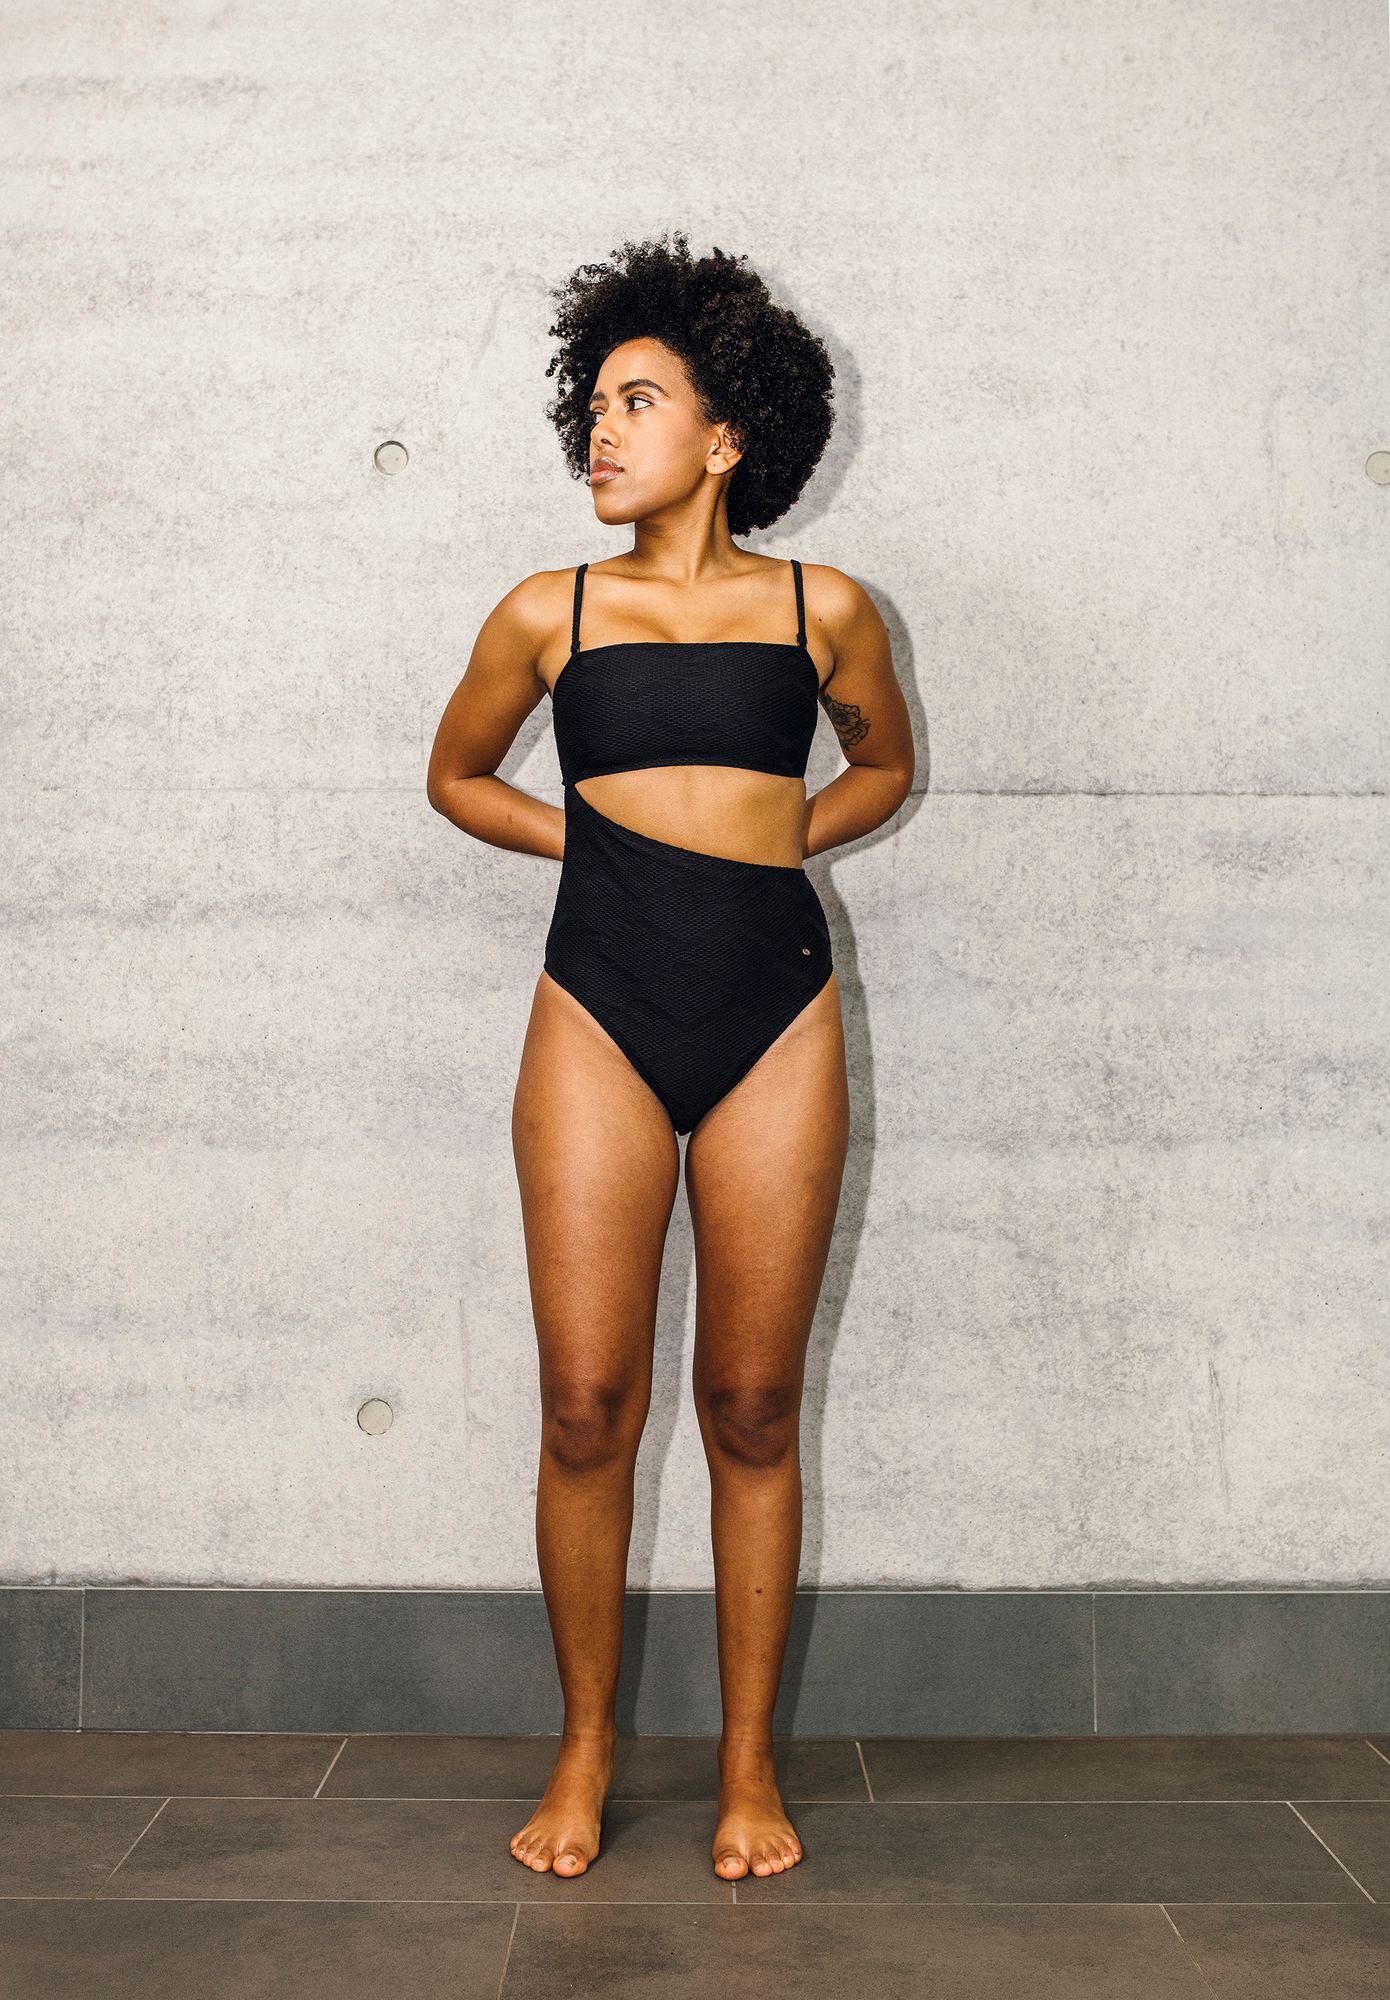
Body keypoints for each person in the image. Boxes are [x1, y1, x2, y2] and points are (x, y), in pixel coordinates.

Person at [427, 231, 914, 1882]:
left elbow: (880, 769)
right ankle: (584, 1750)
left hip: (773, 1007)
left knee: (754, 1404)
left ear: (725, 436)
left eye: (637, 401)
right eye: (594, 404)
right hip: (598, 1004)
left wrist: (769, 845)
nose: (601, 429)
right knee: (586, 1405)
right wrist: (603, 850)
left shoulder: (822, 608)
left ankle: (749, 1769)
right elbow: (457, 778)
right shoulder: (546, 612)